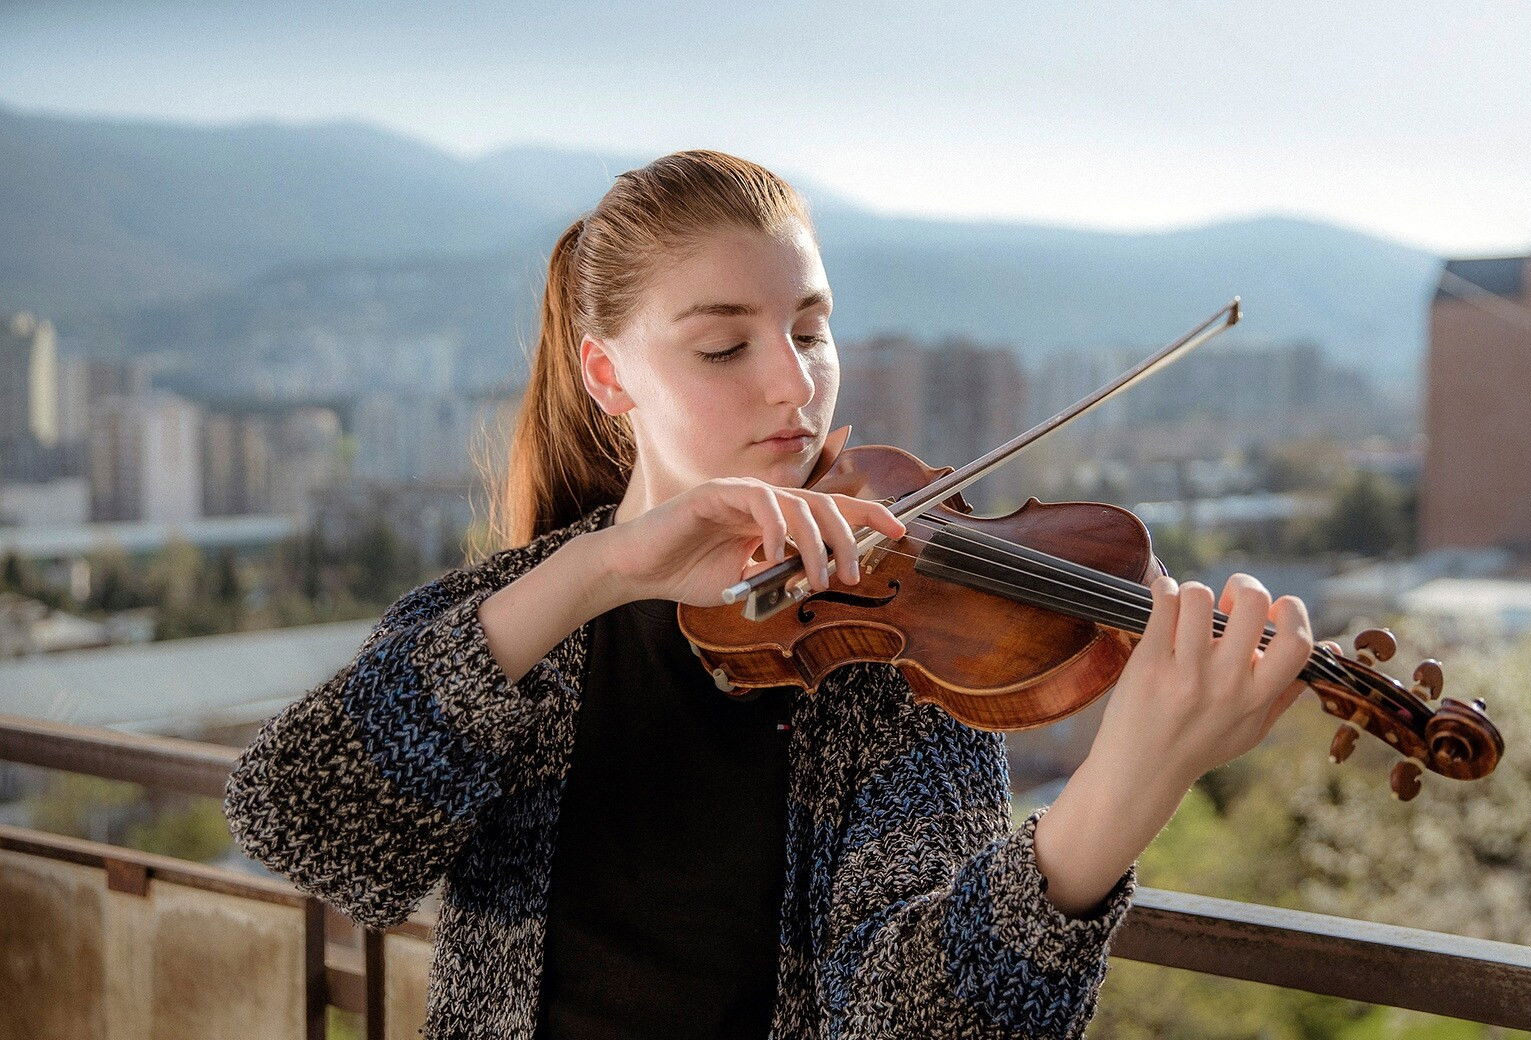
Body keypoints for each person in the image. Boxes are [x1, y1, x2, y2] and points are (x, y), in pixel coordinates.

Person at [223, 150, 1313, 1040]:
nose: (792, 382)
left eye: (808, 327)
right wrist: (601, 570)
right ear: (609, 377)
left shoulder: (896, 661)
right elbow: (304, 822)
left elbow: (910, 1026)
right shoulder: (517, 614)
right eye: (723, 343)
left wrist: (1121, 790)